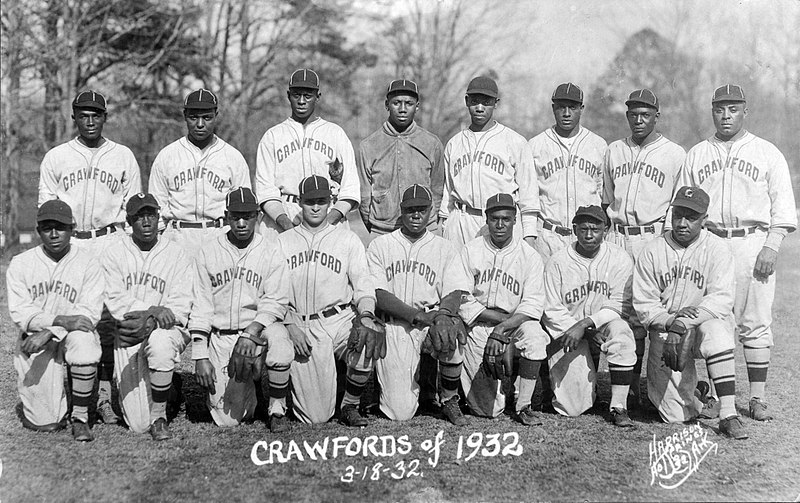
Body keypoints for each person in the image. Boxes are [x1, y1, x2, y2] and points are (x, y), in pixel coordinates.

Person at [680, 84, 797, 422]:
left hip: (752, 241)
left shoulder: (767, 152)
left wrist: (771, 245)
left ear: (745, 111)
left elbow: (784, 208)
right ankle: (720, 395)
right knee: (717, 321)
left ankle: (757, 398)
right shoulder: (697, 153)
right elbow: (684, 207)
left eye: (733, 108)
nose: (726, 115)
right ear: (712, 111)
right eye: (720, 109)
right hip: (712, 242)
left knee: (756, 321)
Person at [38, 90, 142, 425]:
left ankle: (106, 395)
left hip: (110, 239)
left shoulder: (122, 155)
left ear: (105, 117)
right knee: (74, 317)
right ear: (74, 117)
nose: (90, 120)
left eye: (96, 114)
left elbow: (133, 209)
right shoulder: (57, 157)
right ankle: (74, 393)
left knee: (110, 321)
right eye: (84, 114)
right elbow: (45, 208)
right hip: (72, 242)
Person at [633, 186, 747, 439]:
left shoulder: (717, 248)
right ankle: (697, 392)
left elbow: (721, 299)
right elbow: (644, 304)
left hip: (702, 327)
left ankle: (728, 414)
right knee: (675, 416)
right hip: (666, 333)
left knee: (718, 330)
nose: (682, 223)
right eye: (678, 215)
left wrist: (684, 323)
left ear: (704, 219)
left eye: (691, 217)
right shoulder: (653, 250)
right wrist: (672, 321)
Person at [602, 89, 685, 408]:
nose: (639, 120)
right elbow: (606, 198)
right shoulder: (614, 150)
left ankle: (663, 388)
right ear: (627, 116)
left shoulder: (675, 153)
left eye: (645, 114)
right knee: (622, 312)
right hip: (619, 235)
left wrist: (666, 243)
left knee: (655, 311)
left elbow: (678, 205)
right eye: (633, 114)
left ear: (656, 116)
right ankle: (629, 387)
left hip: (653, 236)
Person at [276, 175, 383, 426]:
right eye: (310, 201)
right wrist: (289, 325)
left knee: (367, 338)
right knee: (315, 417)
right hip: (302, 324)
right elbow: (272, 293)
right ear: (300, 203)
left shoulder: (347, 239)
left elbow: (363, 285)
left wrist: (366, 314)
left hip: (340, 318)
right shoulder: (282, 242)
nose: (316, 207)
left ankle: (350, 404)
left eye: (322, 201)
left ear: (330, 202)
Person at [190, 187, 294, 431]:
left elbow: (276, 299)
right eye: (235, 216)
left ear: (257, 216)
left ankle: (277, 408)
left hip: (258, 332)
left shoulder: (270, 249)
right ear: (226, 216)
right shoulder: (208, 251)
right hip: (222, 336)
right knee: (229, 420)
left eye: (247, 216)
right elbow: (201, 305)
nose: (241, 222)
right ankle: (253, 389)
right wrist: (200, 355)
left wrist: (252, 331)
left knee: (279, 337)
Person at [441, 193, 548, 424]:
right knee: (487, 411)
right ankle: (463, 394)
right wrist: (496, 320)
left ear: (515, 220)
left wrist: (502, 329)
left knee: (536, 336)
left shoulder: (529, 256)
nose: (500, 224)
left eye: (506, 219)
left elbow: (532, 304)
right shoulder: (471, 250)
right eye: (495, 218)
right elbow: (461, 296)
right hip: (478, 324)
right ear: (486, 219)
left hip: (514, 324)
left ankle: (524, 405)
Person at [366, 184, 466, 425]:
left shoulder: (444, 247)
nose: (416, 214)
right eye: (410, 209)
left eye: (421, 209)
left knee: (451, 328)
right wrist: (418, 315)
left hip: (431, 321)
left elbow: (455, 290)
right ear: (401, 211)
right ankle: (417, 390)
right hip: (395, 325)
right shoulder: (381, 245)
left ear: (431, 211)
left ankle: (449, 398)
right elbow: (379, 294)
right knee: (400, 413)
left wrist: (443, 316)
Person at [6, 200, 104, 441]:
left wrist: (52, 330)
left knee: (84, 340)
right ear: (38, 231)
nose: (54, 234)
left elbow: (88, 313)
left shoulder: (88, 261)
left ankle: (80, 417)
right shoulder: (21, 263)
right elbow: (20, 311)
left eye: (60, 227)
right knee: (46, 423)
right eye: (47, 227)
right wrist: (59, 322)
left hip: (67, 334)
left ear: (72, 228)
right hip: (35, 340)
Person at [102, 193, 194, 440]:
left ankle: (160, 415)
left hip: (166, 328)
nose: (146, 222)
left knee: (160, 343)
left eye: (150, 215)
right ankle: (171, 387)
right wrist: (152, 310)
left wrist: (156, 320)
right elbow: (115, 300)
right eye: (139, 216)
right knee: (137, 424)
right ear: (130, 221)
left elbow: (182, 301)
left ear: (158, 218)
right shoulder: (114, 253)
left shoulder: (176, 253)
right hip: (130, 331)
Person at [542, 205, 636, 427]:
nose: (589, 234)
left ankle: (619, 406)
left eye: (595, 228)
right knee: (573, 408)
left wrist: (588, 325)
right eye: (583, 229)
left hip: (602, 324)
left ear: (605, 230)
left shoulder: (619, 258)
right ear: (574, 229)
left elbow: (620, 303)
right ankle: (580, 390)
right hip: (568, 331)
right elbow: (551, 309)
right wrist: (582, 330)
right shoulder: (557, 261)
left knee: (622, 333)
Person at [256, 69, 360, 235]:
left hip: (328, 214)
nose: (302, 101)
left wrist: (326, 222)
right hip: (284, 214)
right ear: (288, 95)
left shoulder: (335, 134)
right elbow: (265, 189)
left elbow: (350, 188)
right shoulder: (273, 136)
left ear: (318, 97)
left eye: (308, 95)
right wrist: (286, 224)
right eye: (297, 95)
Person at [439, 76, 538, 247]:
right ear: (466, 101)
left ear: (496, 103)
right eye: (474, 101)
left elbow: (528, 195)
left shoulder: (515, 141)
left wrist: (529, 234)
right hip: (461, 220)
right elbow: (447, 193)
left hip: (500, 223)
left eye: (486, 102)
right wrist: (444, 224)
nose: (479, 107)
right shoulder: (454, 143)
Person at [148, 89, 251, 251]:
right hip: (178, 237)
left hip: (219, 235)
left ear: (216, 115)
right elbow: (157, 206)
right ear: (184, 116)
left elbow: (245, 208)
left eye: (207, 117)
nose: (200, 124)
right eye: (193, 117)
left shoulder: (232, 157)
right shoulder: (167, 155)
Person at [529, 83, 607, 259]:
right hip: (548, 236)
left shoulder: (598, 145)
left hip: (587, 237)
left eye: (572, 107)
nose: (566, 113)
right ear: (553, 108)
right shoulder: (536, 145)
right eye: (561, 107)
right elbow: (529, 198)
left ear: (582, 108)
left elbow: (603, 194)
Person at [357, 79, 444, 236]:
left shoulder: (432, 143)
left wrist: (428, 221)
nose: (402, 109)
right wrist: (376, 227)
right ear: (387, 105)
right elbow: (364, 197)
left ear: (417, 106)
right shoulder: (369, 145)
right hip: (383, 230)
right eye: (396, 103)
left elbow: (437, 190)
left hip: (424, 231)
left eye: (409, 103)